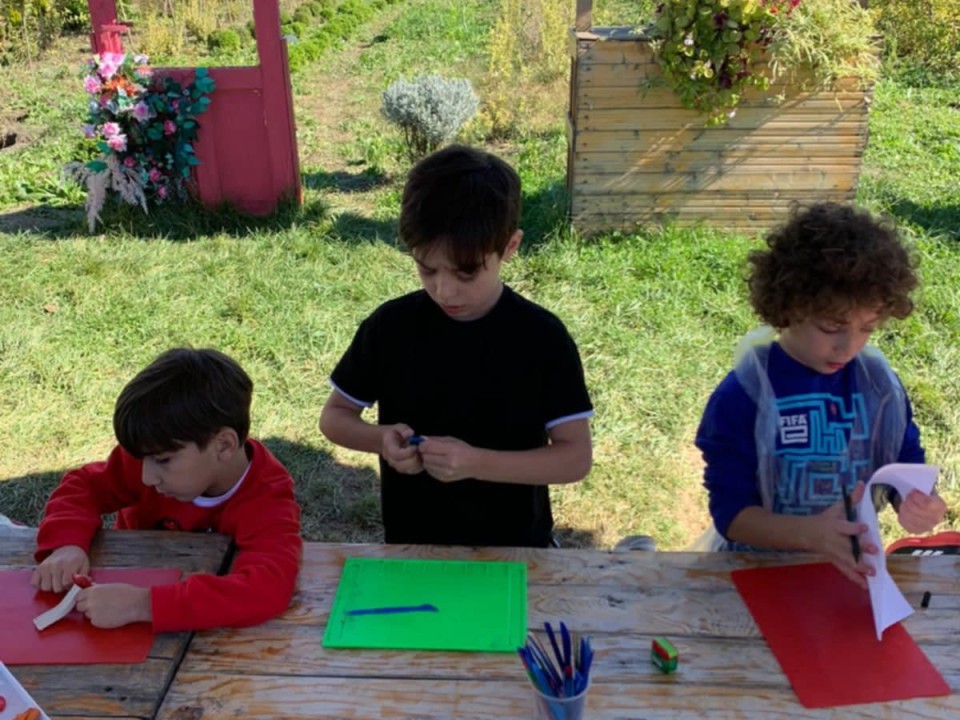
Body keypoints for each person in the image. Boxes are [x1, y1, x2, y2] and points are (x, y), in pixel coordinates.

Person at [319, 144, 594, 548]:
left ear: (510, 247)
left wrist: (477, 463)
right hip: (413, 545)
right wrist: (382, 440)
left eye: (466, 273)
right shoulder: (390, 327)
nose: (444, 290)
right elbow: (335, 417)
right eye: (427, 269)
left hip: (515, 547)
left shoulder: (541, 338)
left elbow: (574, 458)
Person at [696, 202, 947, 585]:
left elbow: (903, 459)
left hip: (844, 573)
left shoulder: (879, 387)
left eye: (867, 328)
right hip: (758, 573)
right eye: (832, 327)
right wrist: (810, 534)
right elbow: (731, 513)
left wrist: (917, 500)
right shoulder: (744, 394)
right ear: (789, 306)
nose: (849, 346)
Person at [32, 348, 302, 632]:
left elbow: (267, 588)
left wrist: (142, 605)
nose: (147, 477)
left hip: (178, 621)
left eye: (162, 461)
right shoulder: (151, 453)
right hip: (115, 593)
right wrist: (67, 545)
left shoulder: (267, 497)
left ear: (223, 445)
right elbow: (82, 486)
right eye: (143, 460)